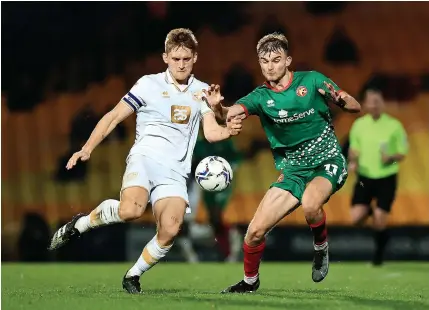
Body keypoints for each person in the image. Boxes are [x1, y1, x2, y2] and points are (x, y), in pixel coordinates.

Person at [47, 28, 242, 294]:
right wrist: (87, 148)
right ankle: (81, 224)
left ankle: (133, 275)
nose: (181, 64)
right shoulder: (148, 84)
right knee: (131, 211)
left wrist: (228, 129)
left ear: (195, 57)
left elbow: (210, 132)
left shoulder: (202, 92)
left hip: (175, 171)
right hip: (145, 159)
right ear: (165, 57)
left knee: (171, 230)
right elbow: (114, 116)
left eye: (186, 58)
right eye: (176, 59)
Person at [204, 32, 361, 293]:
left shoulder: (311, 80)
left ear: (288, 60)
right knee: (253, 233)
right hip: (293, 171)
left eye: (276, 60)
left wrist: (343, 100)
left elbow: (354, 106)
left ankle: (321, 248)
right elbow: (227, 114)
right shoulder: (259, 97)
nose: (270, 66)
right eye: (264, 61)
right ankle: (250, 282)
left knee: (311, 205)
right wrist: (217, 108)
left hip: (327, 161)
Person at [348, 88, 408, 266]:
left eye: (378, 101)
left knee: (380, 220)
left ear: (383, 103)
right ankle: (376, 218)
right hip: (365, 176)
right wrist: (353, 161)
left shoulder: (394, 125)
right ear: (365, 104)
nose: (374, 105)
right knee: (356, 218)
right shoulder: (359, 125)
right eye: (371, 101)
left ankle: (379, 254)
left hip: (386, 177)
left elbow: (402, 152)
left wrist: (390, 157)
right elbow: (354, 150)